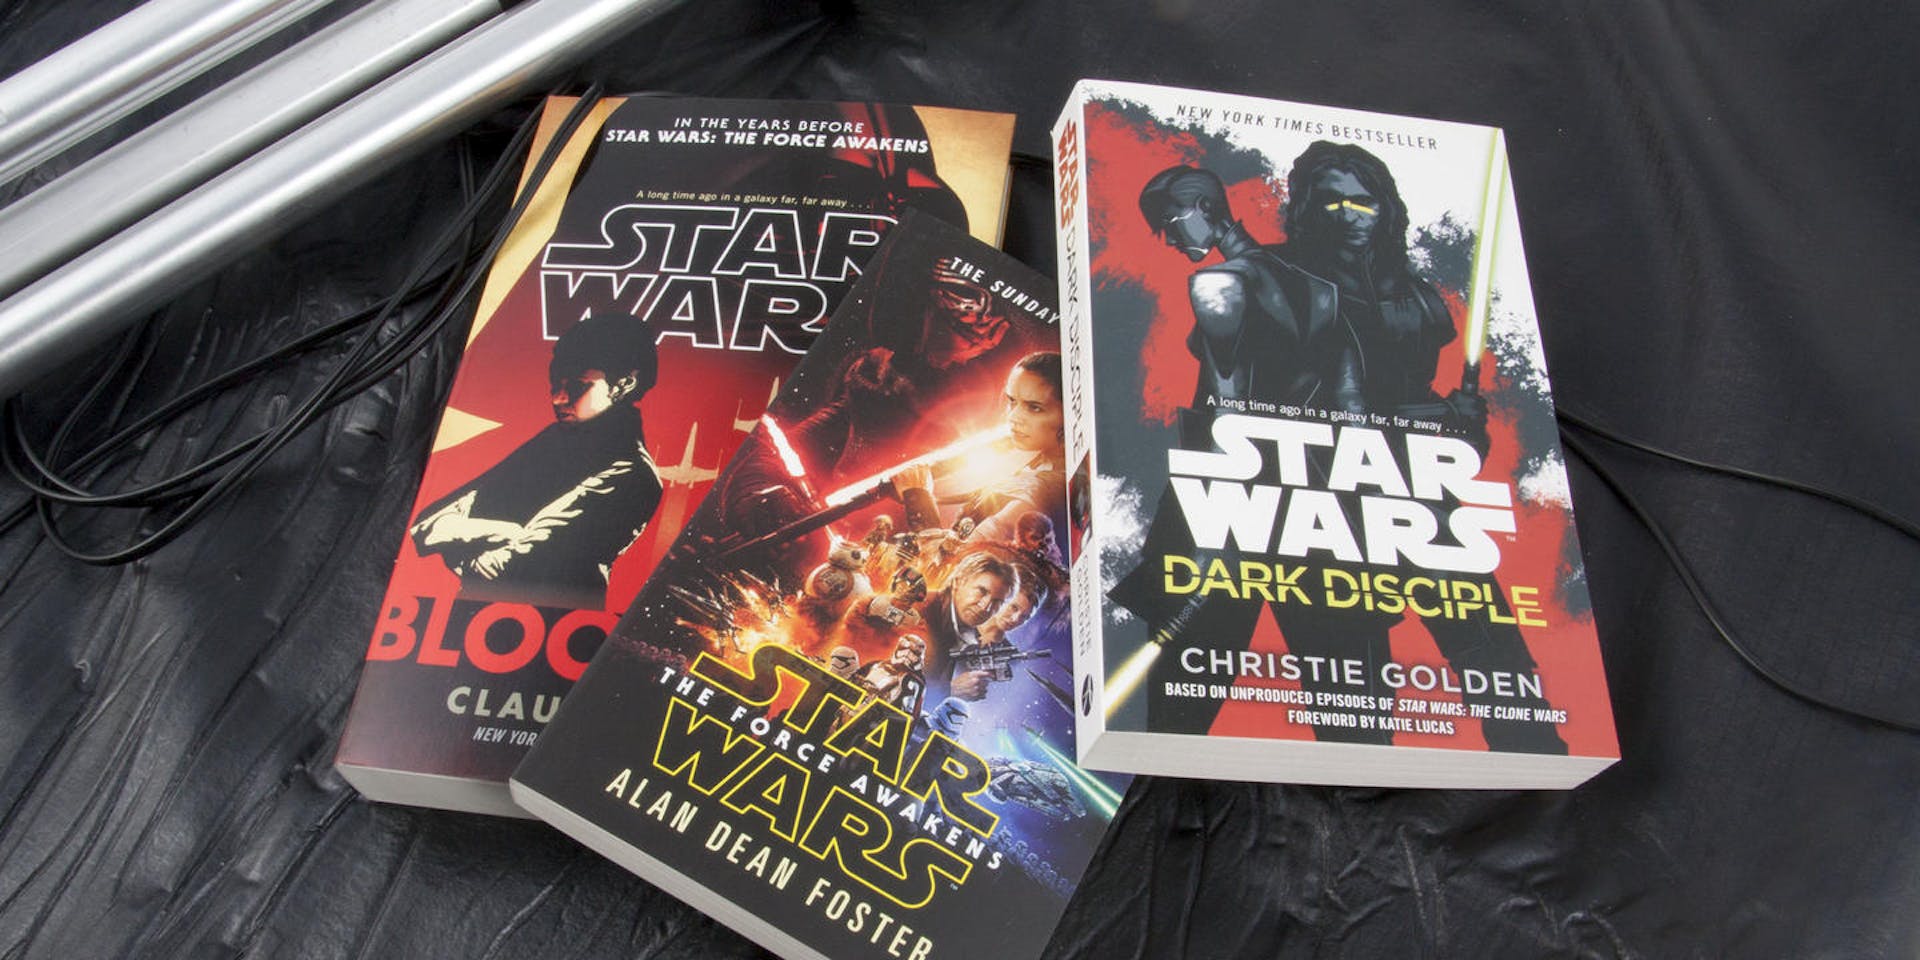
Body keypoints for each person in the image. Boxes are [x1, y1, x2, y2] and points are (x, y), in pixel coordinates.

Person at [409, 313, 662, 609]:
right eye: (555, 384)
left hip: (549, 623)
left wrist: (465, 536)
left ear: (623, 385)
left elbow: (507, 566)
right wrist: (504, 532)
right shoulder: (553, 441)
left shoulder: (634, 475)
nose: (558, 398)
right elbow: (427, 526)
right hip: (477, 617)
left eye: (577, 386)